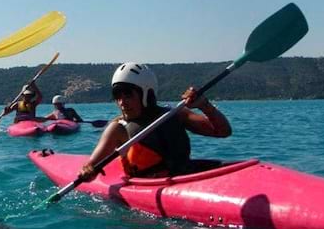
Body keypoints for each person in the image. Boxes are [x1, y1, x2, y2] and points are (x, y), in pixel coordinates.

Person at [80, 62, 231, 180]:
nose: (122, 102)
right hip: (150, 188)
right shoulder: (117, 129)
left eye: (128, 95)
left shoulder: (175, 114)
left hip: (187, 175)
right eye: (117, 96)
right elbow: (90, 166)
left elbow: (223, 132)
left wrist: (204, 105)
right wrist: (88, 171)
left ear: (147, 94)